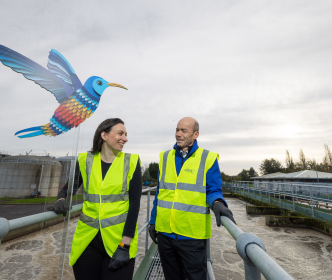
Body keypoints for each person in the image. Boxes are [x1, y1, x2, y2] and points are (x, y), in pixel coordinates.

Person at [48, 118, 142, 280]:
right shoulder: (85, 160)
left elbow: (135, 204)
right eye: (120, 133)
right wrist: (60, 199)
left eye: (126, 134)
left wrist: (125, 244)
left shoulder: (131, 161)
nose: (125, 138)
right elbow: (68, 189)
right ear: (104, 135)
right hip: (87, 241)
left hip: (118, 241)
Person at [148, 117, 236, 280]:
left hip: (192, 236)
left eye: (184, 131)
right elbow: (161, 193)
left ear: (195, 134)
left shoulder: (208, 158)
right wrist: (153, 221)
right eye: (177, 130)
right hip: (165, 234)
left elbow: (213, 189)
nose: (178, 134)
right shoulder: (165, 157)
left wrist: (217, 203)